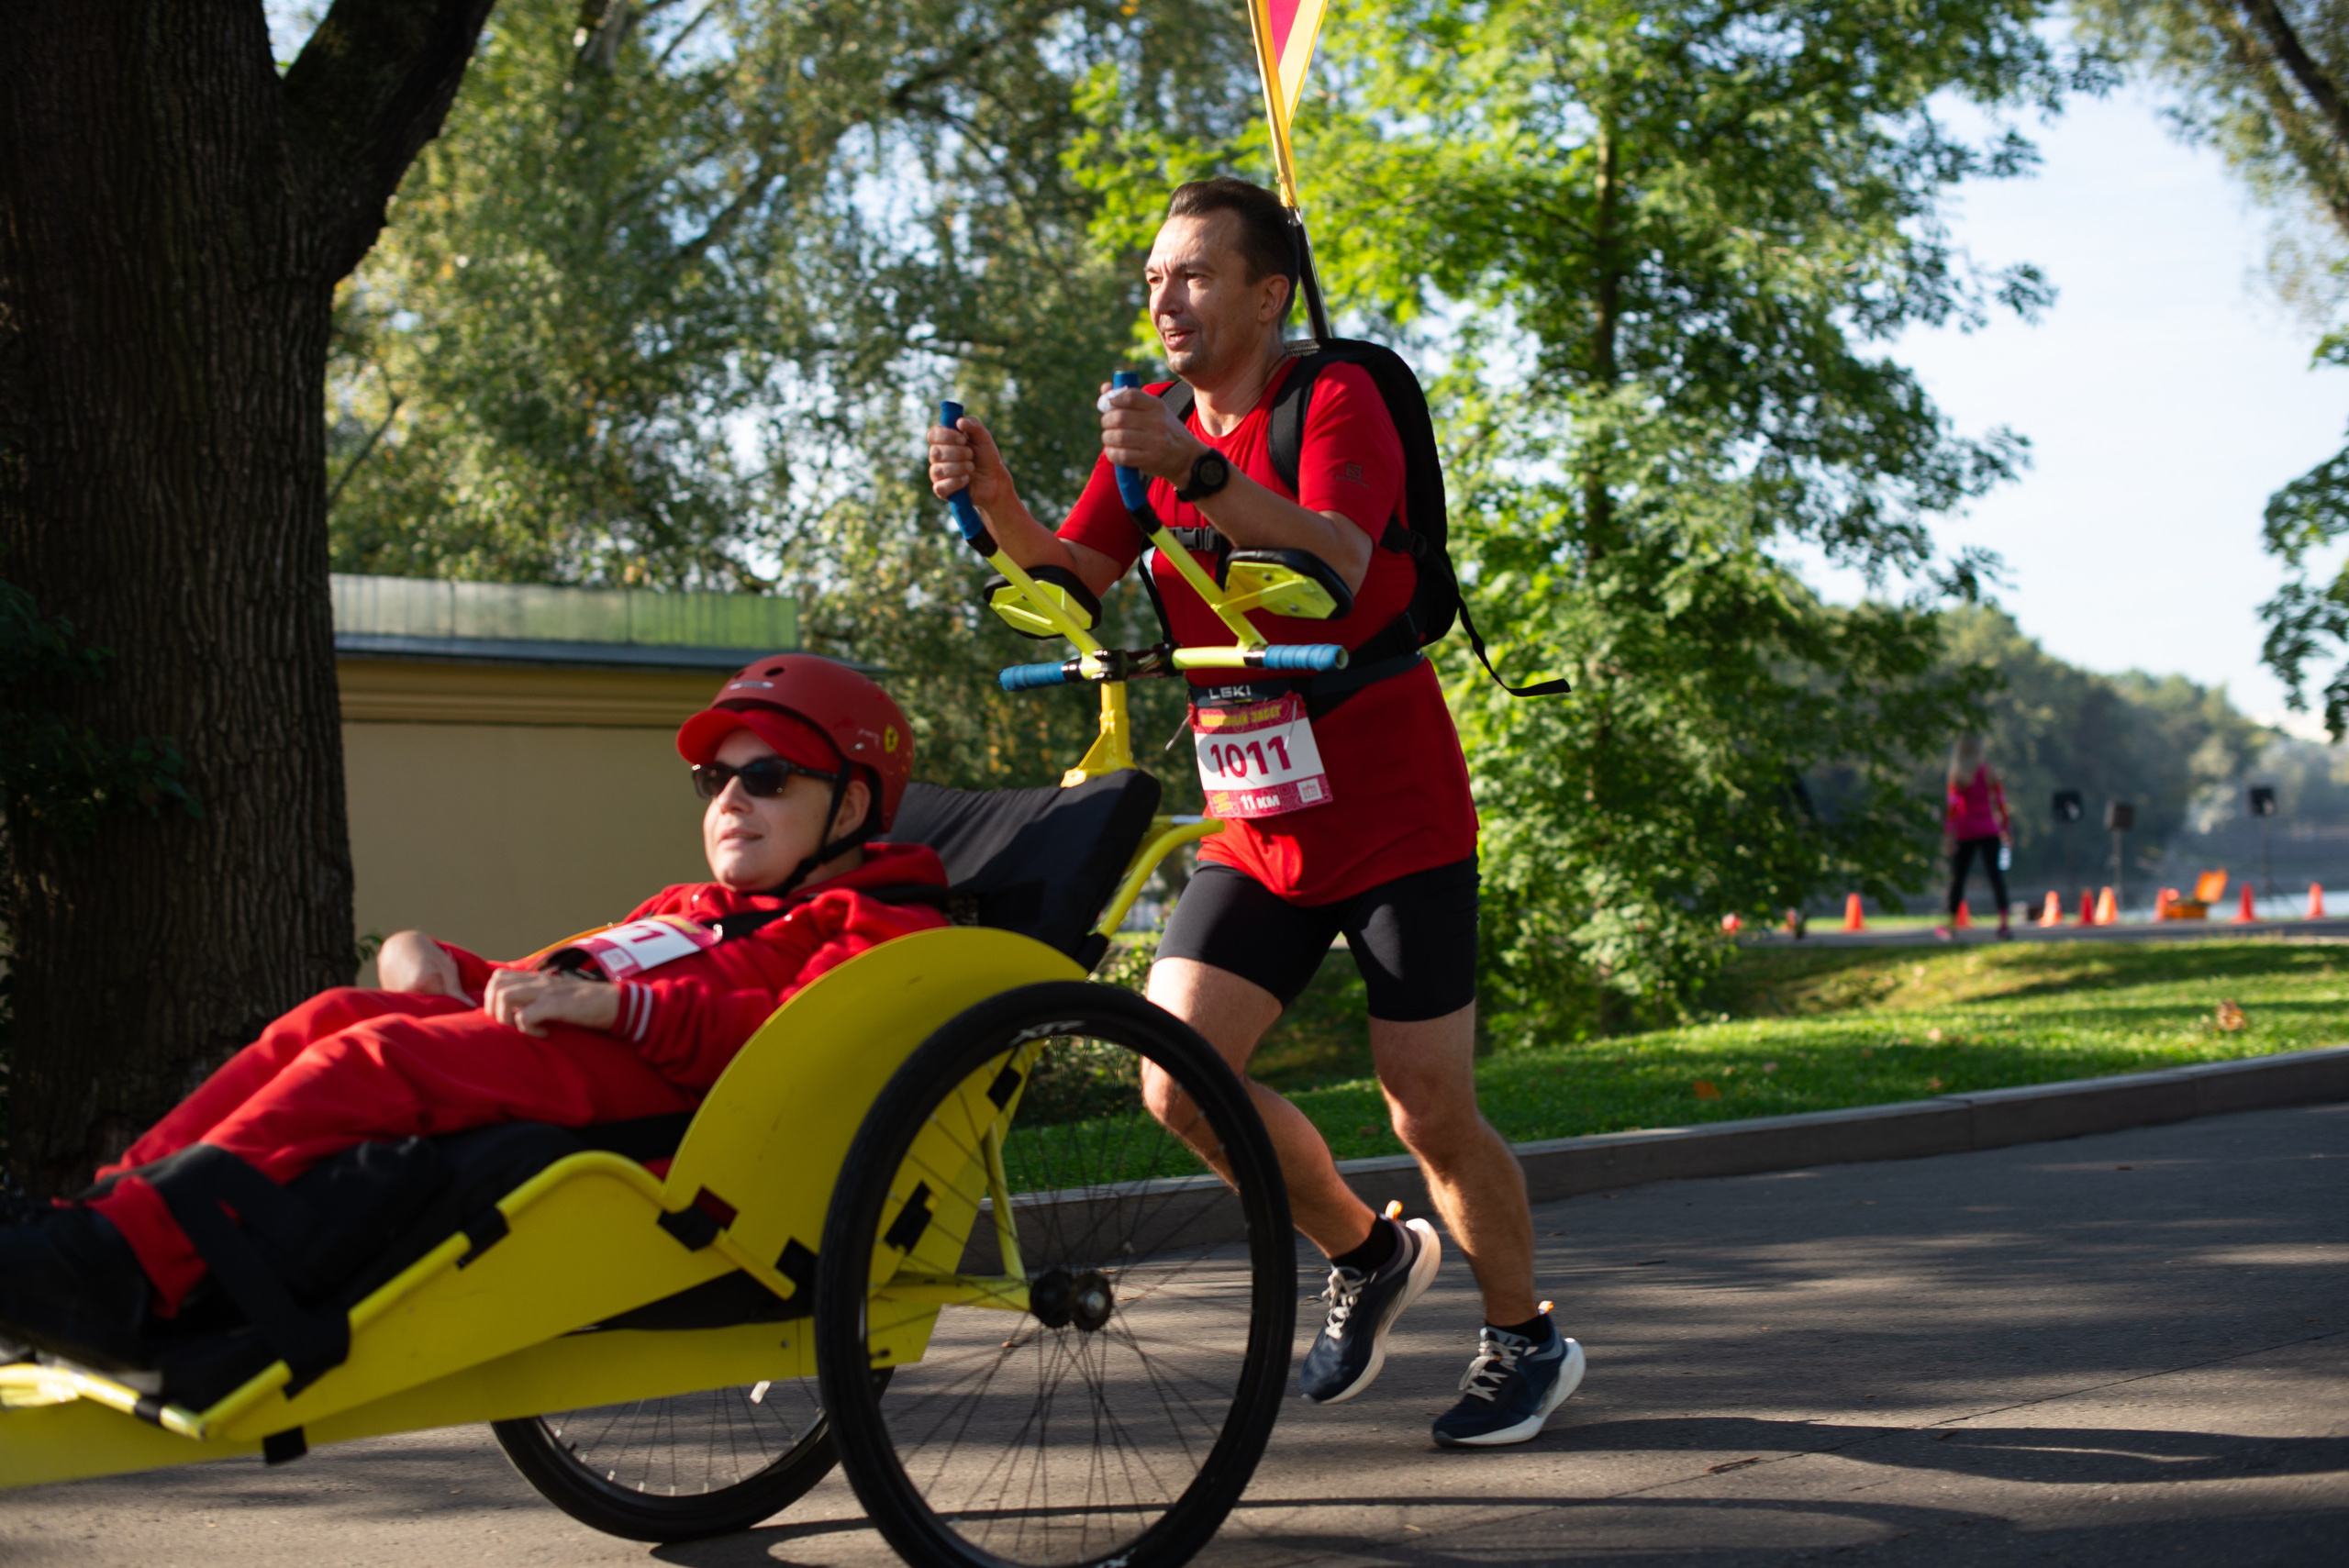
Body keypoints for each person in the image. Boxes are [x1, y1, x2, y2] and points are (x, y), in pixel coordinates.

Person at [926, 176, 1583, 1448]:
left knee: (1425, 1104)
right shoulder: (1156, 429)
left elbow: (1335, 557)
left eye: (1192, 276)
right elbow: (1075, 581)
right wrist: (996, 506)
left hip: (1393, 814)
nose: (1164, 300)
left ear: (1265, 293)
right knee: (1176, 1085)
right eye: (1154, 279)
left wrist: (1200, 471)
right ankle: (1368, 1251)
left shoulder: (1332, 399)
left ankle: (1526, 1338)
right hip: (1258, 820)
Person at [0, 657, 948, 1372]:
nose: (730, 799)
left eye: (768, 777)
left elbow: (797, 1041)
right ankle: (107, 1218)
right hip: (585, 1048)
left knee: (374, 1060)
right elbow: (540, 977)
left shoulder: (881, 921)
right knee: (338, 1012)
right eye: (715, 781)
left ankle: (124, 1260)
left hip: (678, 1113)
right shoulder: (688, 906)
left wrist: (617, 1010)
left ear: (852, 802)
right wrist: (435, 958)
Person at [1941, 733, 2014, 940]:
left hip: (1966, 831)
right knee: (1996, 877)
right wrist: (2006, 829)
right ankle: (2004, 923)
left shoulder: (1957, 775)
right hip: (1989, 829)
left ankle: (1951, 926)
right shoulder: (1988, 771)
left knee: (1958, 879)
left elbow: (1953, 808)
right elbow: (2001, 802)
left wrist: (1948, 834)